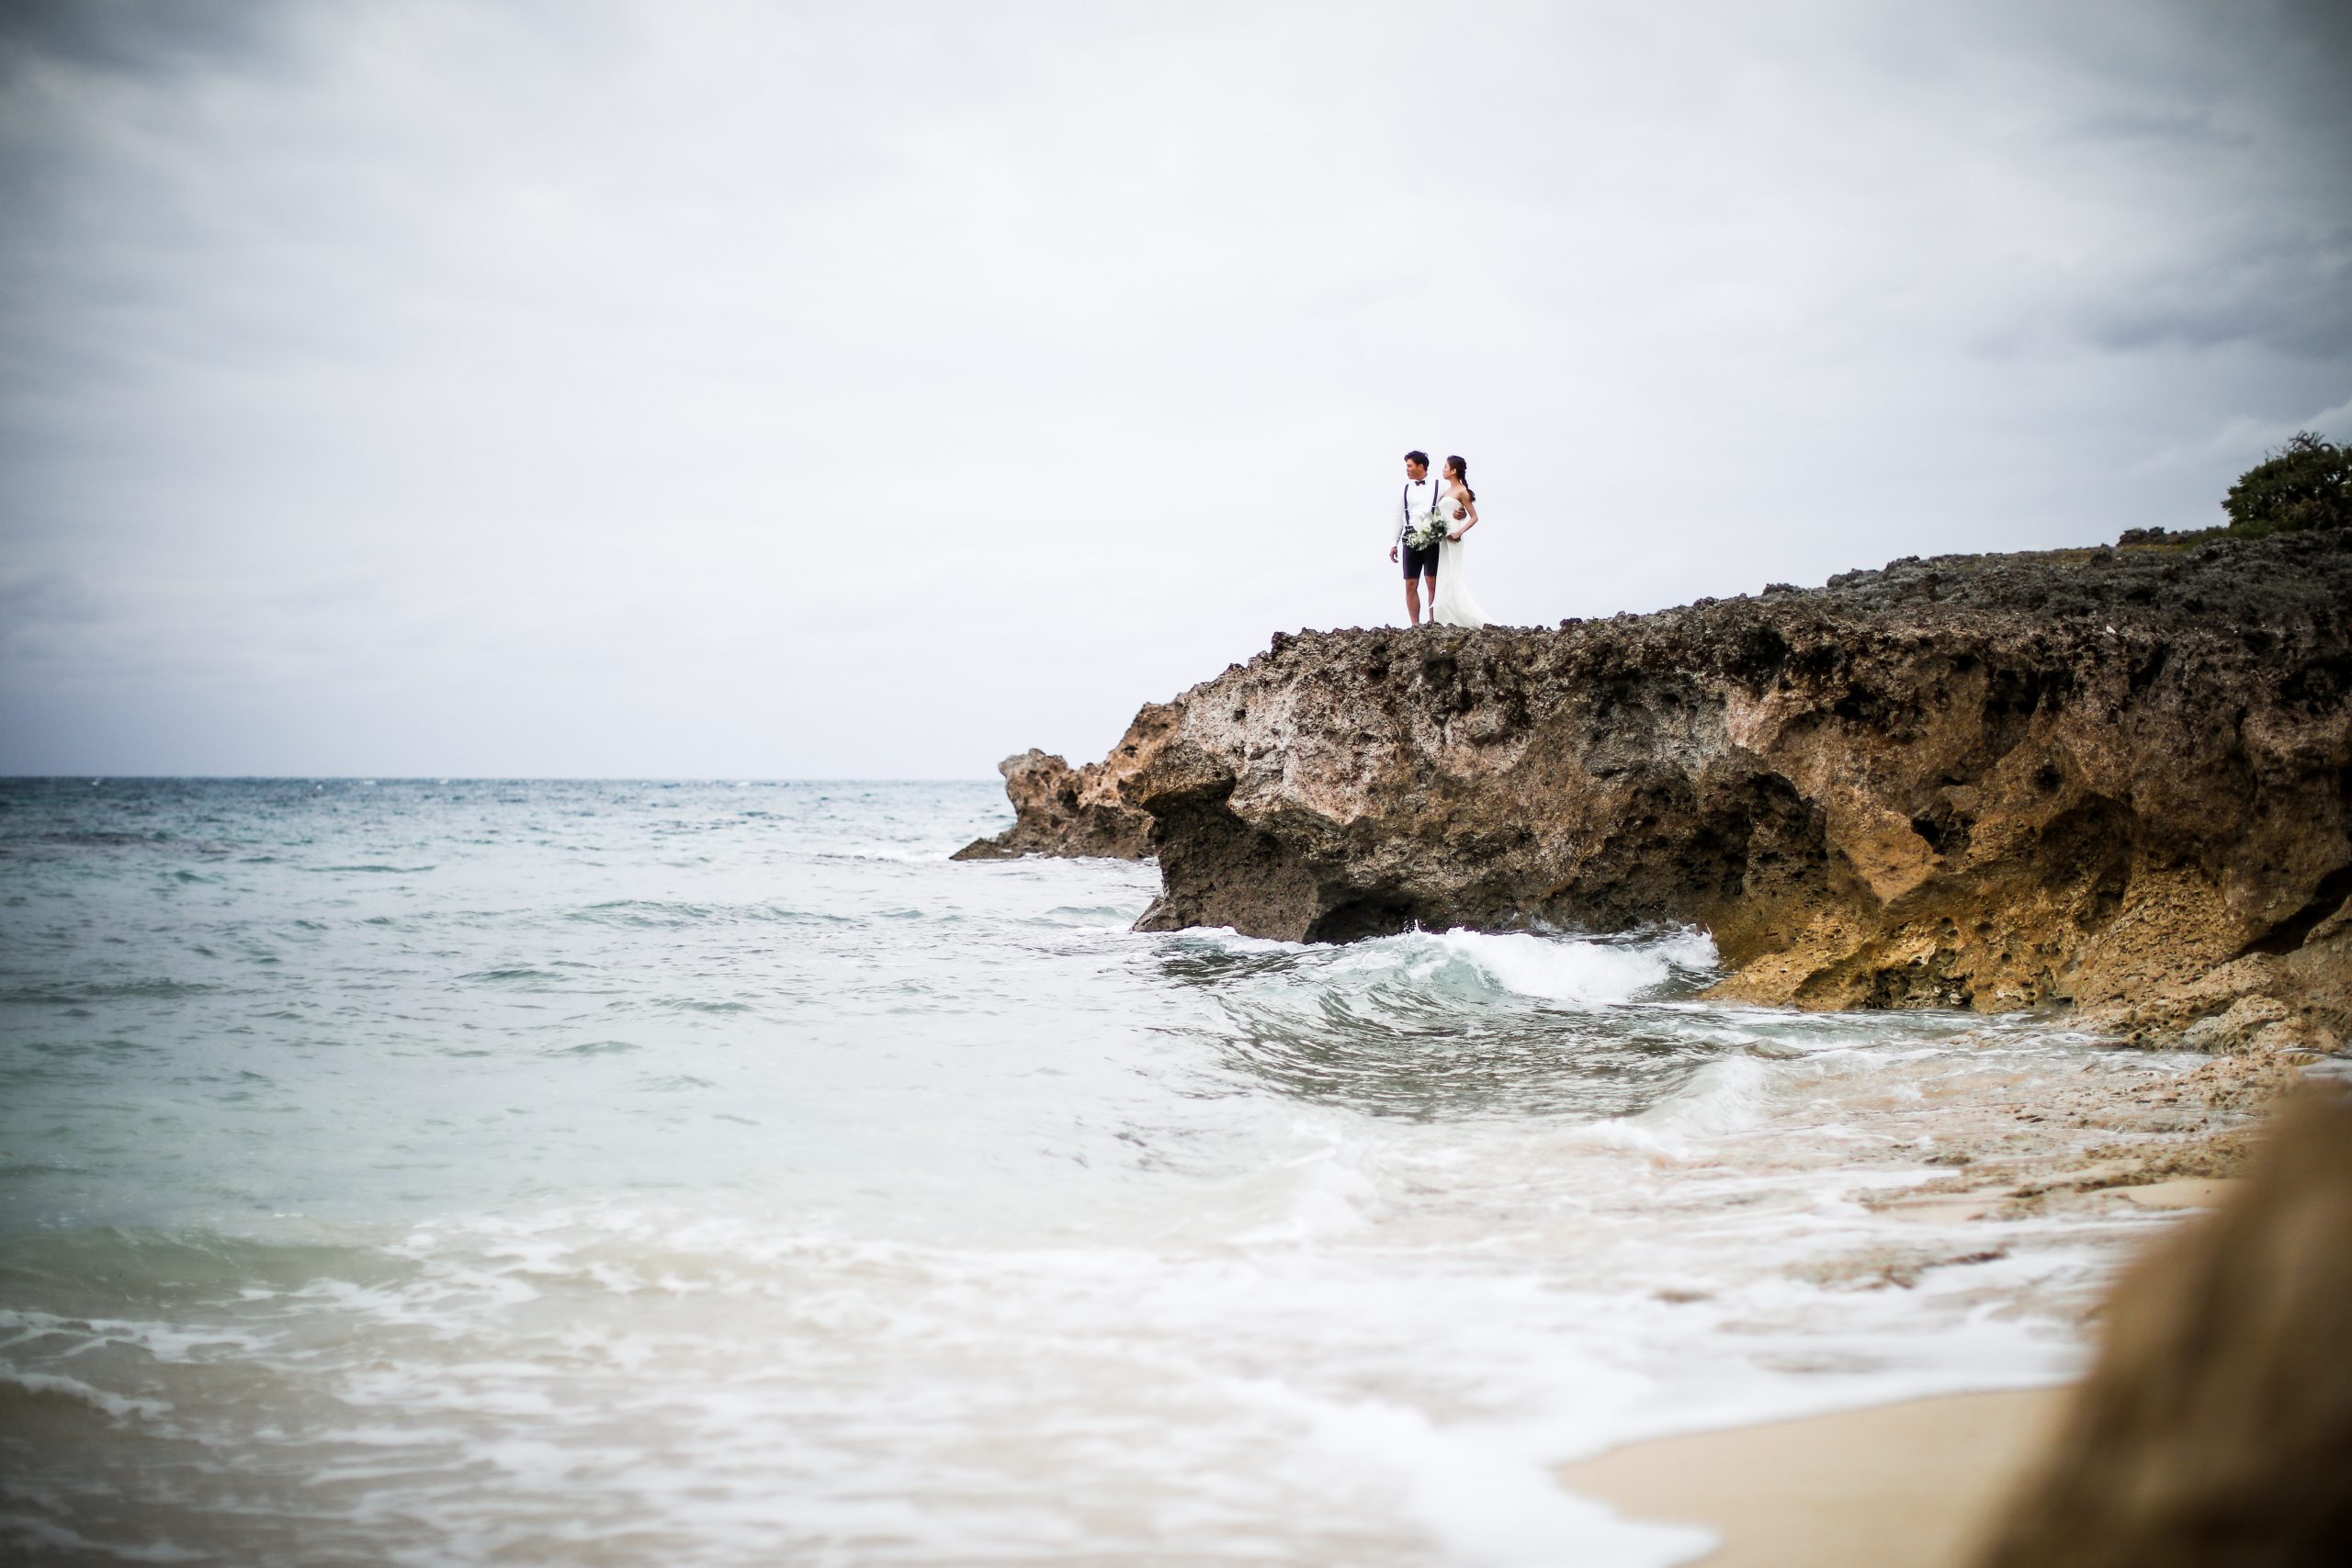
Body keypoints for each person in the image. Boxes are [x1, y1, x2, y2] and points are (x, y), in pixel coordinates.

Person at [1430, 456, 1488, 628]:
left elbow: (1475, 517)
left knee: (1453, 575)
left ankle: (1465, 615)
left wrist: (1459, 532)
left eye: (1445, 466)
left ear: (1453, 471)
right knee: (1443, 574)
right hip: (1442, 537)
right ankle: (1444, 615)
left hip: (1454, 537)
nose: (1443, 469)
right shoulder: (1446, 491)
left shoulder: (1462, 491)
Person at [1387, 450, 1446, 626]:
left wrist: (1460, 512)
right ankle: (1415, 625)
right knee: (1410, 584)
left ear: (1421, 466)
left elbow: (1458, 495)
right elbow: (1398, 518)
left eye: (1409, 466)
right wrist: (1393, 543)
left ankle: (1433, 621)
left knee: (1432, 581)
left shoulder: (1440, 485)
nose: (1407, 469)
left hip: (1431, 537)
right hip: (1410, 537)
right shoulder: (1403, 490)